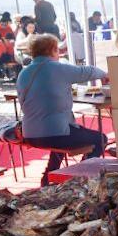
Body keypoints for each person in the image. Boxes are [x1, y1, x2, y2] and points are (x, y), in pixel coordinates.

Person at [16, 34, 108, 185]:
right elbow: (87, 71)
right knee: (100, 139)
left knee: (60, 136)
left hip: (29, 133)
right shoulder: (57, 68)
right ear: (53, 49)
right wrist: (104, 75)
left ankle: (47, 179)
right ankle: (78, 180)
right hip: (55, 133)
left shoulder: (23, 72)